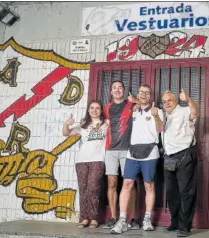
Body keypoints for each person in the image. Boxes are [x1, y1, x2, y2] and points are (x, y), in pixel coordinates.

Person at [111, 84, 164, 234]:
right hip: (132, 150)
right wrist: (134, 104)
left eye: (147, 92)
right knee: (127, 184)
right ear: (138, 94)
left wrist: (155, 115)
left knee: (149, 186)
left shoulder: (157, 111)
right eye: (141, 92)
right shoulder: (132, 110)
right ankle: (122, 220)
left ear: (151, 96)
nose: (144, 94)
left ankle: (147, 219)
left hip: (150, 151)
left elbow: (161, 129)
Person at [62, 100, 108, 229]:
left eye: (97, 108)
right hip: (81, 161)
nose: (94, 110)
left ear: (101, 110)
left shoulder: (106, 124)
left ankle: (93, 218)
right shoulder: (83, 125)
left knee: (93, 188)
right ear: (88, 110)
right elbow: (66, 133)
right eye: (92, 108)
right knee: (83, 190)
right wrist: (67, 123)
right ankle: (84, 218)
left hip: (98, 160)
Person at [161, 89, 199, 237]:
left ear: (176, 100)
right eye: (164, 102)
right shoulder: (164, 115)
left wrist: (189, 100)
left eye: (169, 100)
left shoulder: (184, 110)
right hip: (169, 157)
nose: (166, 103)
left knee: (186, 192)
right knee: (171, 193)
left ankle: (184, 227)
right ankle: (175, 222)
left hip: (185, 155)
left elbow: (195, 114)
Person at [102, 80, 139, 230]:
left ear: (124, 91)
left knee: (130, 184)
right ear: (110, 92)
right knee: (111, 183)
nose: (117, 90)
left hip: (127, 150)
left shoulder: (131, 104)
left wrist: (134, 99)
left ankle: (132, 219)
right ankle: (113, 217)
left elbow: (145, 105)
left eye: (120, 88)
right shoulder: (106, 108)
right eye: (114, 88)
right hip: (110, 150)